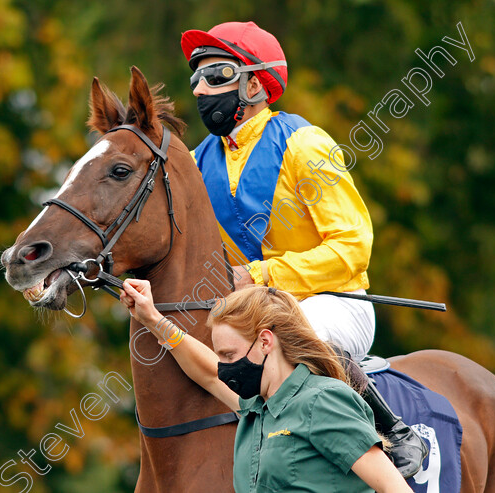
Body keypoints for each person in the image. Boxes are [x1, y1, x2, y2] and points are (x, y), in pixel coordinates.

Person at [180, 21, 427, 476]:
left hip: (335, 302)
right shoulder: (197, 163)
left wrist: (262, 277)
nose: (200, 89)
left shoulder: (305, 144)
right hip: (249, 311)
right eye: (195, 77)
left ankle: (392, 432)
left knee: (288, 337)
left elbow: (353, 247)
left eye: (216, 75)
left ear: (256, 83)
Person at [121, 280, 413, 493]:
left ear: (264, 341)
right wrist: (153, 319)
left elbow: (393, 488)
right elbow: (207, 373)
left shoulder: (322, 400)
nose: (224, 366)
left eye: (229, 355)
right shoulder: (254, 410)